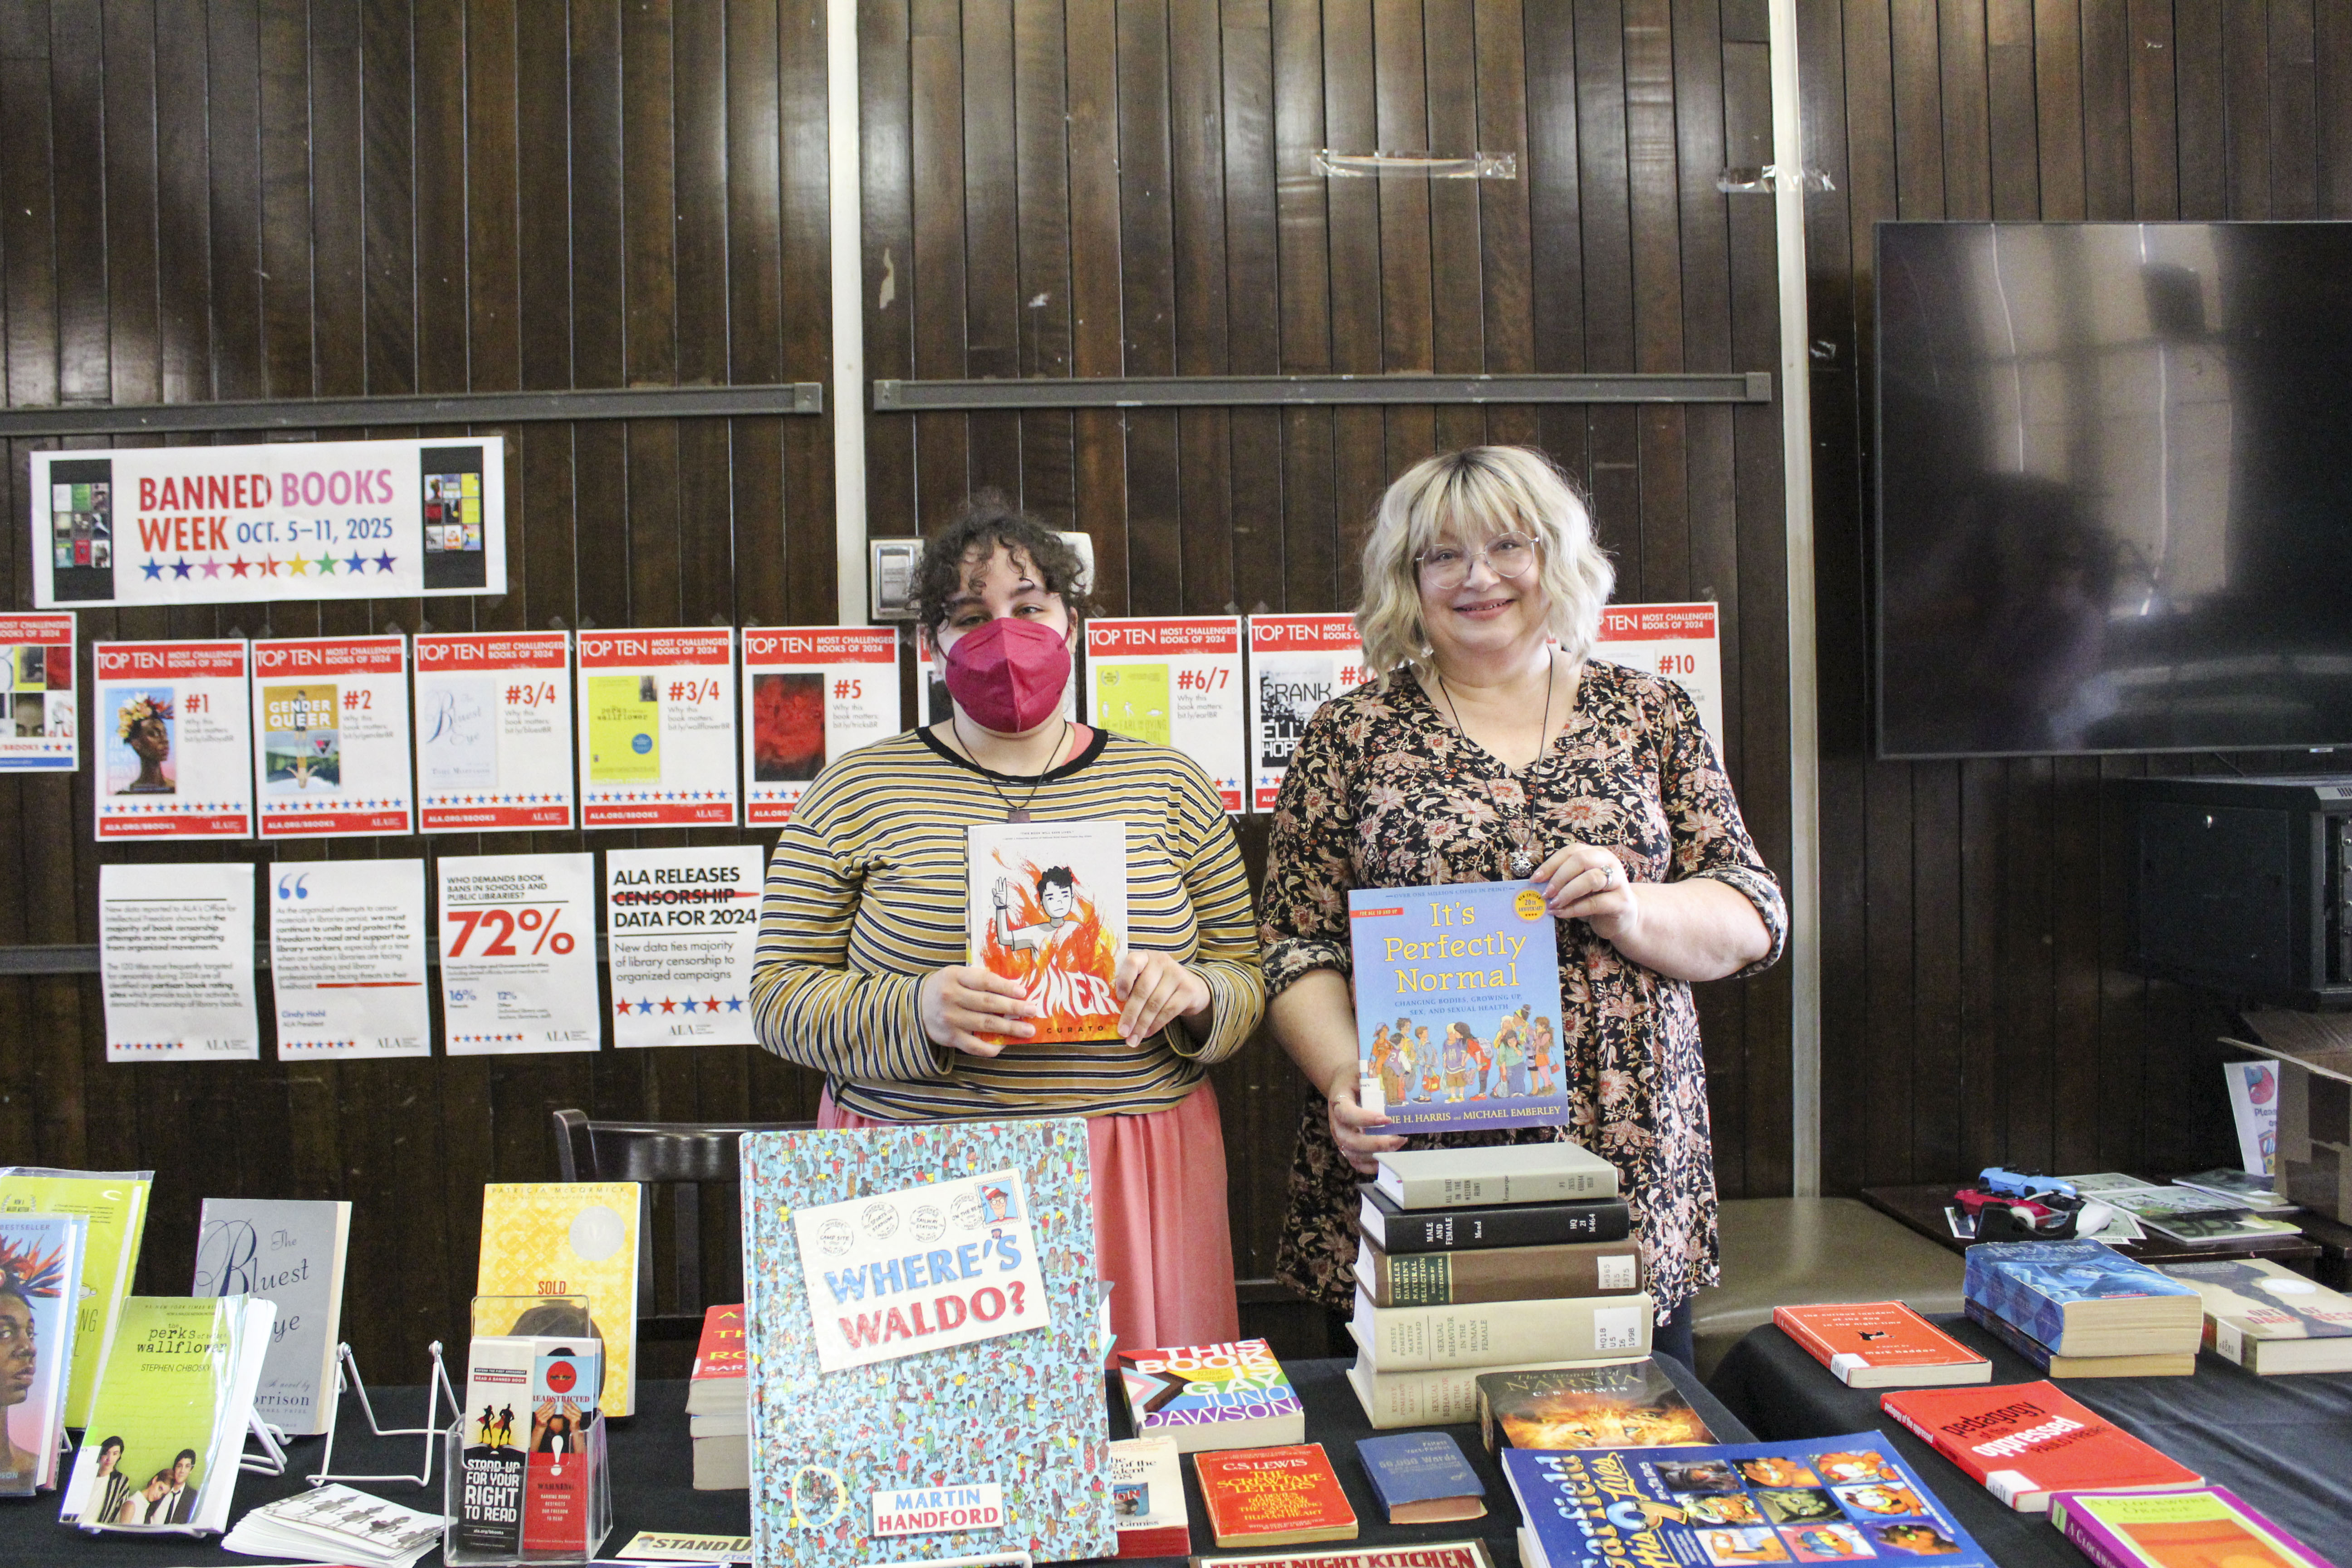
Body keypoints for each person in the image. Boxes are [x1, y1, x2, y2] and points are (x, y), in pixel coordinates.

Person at [1260, 446, 1785, 1367]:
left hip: (1622, 1155)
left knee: (1621, 1455)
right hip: (1413, 1160)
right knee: (1418, 1463)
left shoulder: (1649, 712)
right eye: (1442, 556)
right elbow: (1297, 943)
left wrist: (1632, 910)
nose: (1479, 578)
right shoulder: (1350, 732)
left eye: (1509, 545)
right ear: (1406, 579)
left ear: (1557, 559)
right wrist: (1346, 1075)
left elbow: (1752, 918)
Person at [750, 496, 1266, 1351]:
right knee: (938, 1455)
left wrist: (1197, 994)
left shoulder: (1169, 783)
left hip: (1134, 1164)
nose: (1004, 632)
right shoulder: (854, 789)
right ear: (929, 644)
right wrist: (916, 1011)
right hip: (916, 1172)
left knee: (1140, 1441)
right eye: (968, 616)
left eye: (1028, 607)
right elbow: (777, 999)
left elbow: (1245, 976)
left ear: (1072, 621)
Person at [82, 1436, 128, 1524]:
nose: (109, 1458)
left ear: (119, 1456)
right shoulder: (88, 1475)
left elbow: (118, 1511)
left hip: (98, 1529)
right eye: (107, 1453)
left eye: (115, 1454)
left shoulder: (121, 1481)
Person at [162, 1447, 198, 1523]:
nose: (182, 1471)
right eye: (179, 1466)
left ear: (191, 1470)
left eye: (187, 1467)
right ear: (175, 1468)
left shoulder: (194, 1496)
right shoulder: (162, 1489)